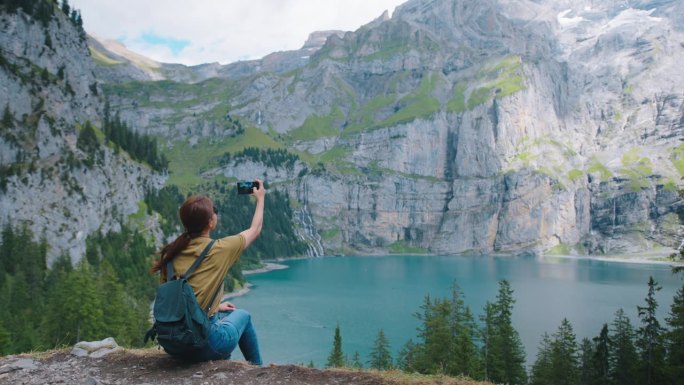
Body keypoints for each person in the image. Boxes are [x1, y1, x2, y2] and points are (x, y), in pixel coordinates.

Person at [150, 180, 265, 365]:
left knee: (222, 315)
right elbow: (255, 229)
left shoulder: (170, 252)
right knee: (243, 315)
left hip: (175, 345)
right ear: (210, 222)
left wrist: (215, 307)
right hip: (204, 344)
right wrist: (260, 198)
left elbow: (177, 298)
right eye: (214, 211)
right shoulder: (219, 249)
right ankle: (259, 372)